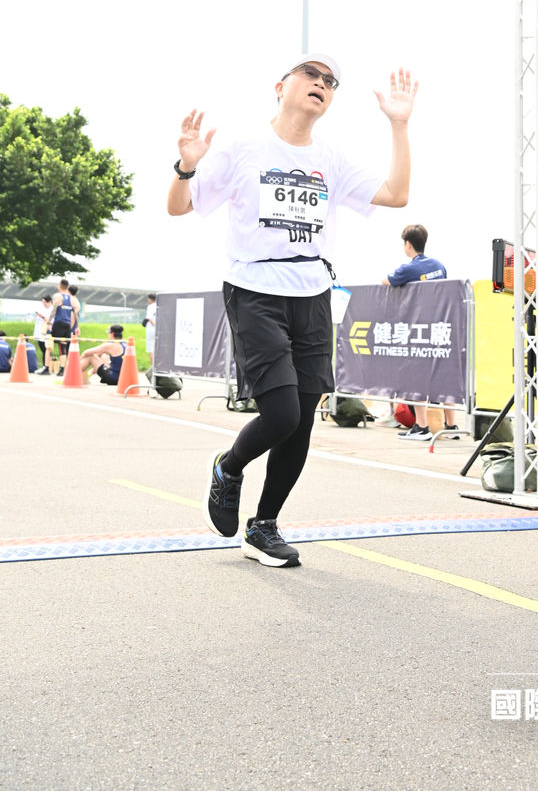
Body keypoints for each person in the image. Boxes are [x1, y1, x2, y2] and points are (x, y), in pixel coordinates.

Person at [168, 56, 416, 569]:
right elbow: (179, 206)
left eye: (330, 82)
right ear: (280, 86)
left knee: (301, 423)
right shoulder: (243, 147)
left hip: (312, 291)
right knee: (281, 414)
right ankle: (229, 467)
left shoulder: (331, 157)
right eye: (311, 75)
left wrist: (398, 125)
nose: (321, 85)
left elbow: (397, 194)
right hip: (254, 288)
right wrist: (186, 167)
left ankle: (264, 527)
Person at [379, 224, 458, 442]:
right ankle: (451, 426)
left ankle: (422, 427)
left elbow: (386, 281)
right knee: (444, 378)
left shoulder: (408, 269)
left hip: (420, 329)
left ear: (408, 245)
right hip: (441, 328)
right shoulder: (439, 266)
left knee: (416, 378)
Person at [46, 279, 81, 375]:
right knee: (63, 346)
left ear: (59, 286)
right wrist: (77, 327)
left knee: (49, 344)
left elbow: (54, 310)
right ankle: (62, 368)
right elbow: (75, 314)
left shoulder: (57, 296)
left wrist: (49, 323)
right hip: (67, 325)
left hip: (58, 323)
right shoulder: (73, 299)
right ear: (68, 287)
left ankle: (47, 367)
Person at [33, 295, 55, 374]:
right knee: (42, 348)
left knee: (46, 349)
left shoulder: (52, 309)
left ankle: (46, 366)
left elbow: (49, 320)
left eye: (45, 302)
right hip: (40, 331)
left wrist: (41, 316)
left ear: (50, 301)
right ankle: (44, 366)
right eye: (43, 302)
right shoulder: (43, 309)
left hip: (46, 331)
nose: (44, 304)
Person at [143, 294, 157, 367]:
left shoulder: (150, 307)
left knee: (151, 349)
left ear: (150, 299)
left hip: (151, 330)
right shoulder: (159, 306)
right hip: (159, 330)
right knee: (157, 348)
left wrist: (155, 326)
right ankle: (158, 366)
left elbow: (150, 318)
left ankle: (153, 367)